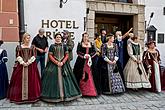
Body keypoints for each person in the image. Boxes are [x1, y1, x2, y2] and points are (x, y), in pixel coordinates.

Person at [41, 33, 81, 102]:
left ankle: (66, 95)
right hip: (53, 64)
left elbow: (67, 55)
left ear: (61, 38)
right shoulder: (52, 46)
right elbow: (50, 56)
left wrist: (62, 62)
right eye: (57, 37)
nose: (58, 38)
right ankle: (53, 96)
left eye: (59, 37)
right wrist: (56, 62)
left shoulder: (64, 46)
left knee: (67, 78)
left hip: (64, 64)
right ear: (55, 38)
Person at [7, 33, 41, 104]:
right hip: (21, 66)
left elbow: (34, 56)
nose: (28, 40)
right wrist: (22, 62)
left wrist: (28, 62)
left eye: (29, 38)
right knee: (19, 80)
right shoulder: (19, 47)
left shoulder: (32, 47)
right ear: (24, 38)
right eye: (27, 38)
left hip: (31, 66)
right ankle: (19, 97)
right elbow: (17, 55)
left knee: (32, 80)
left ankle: (31, 97)